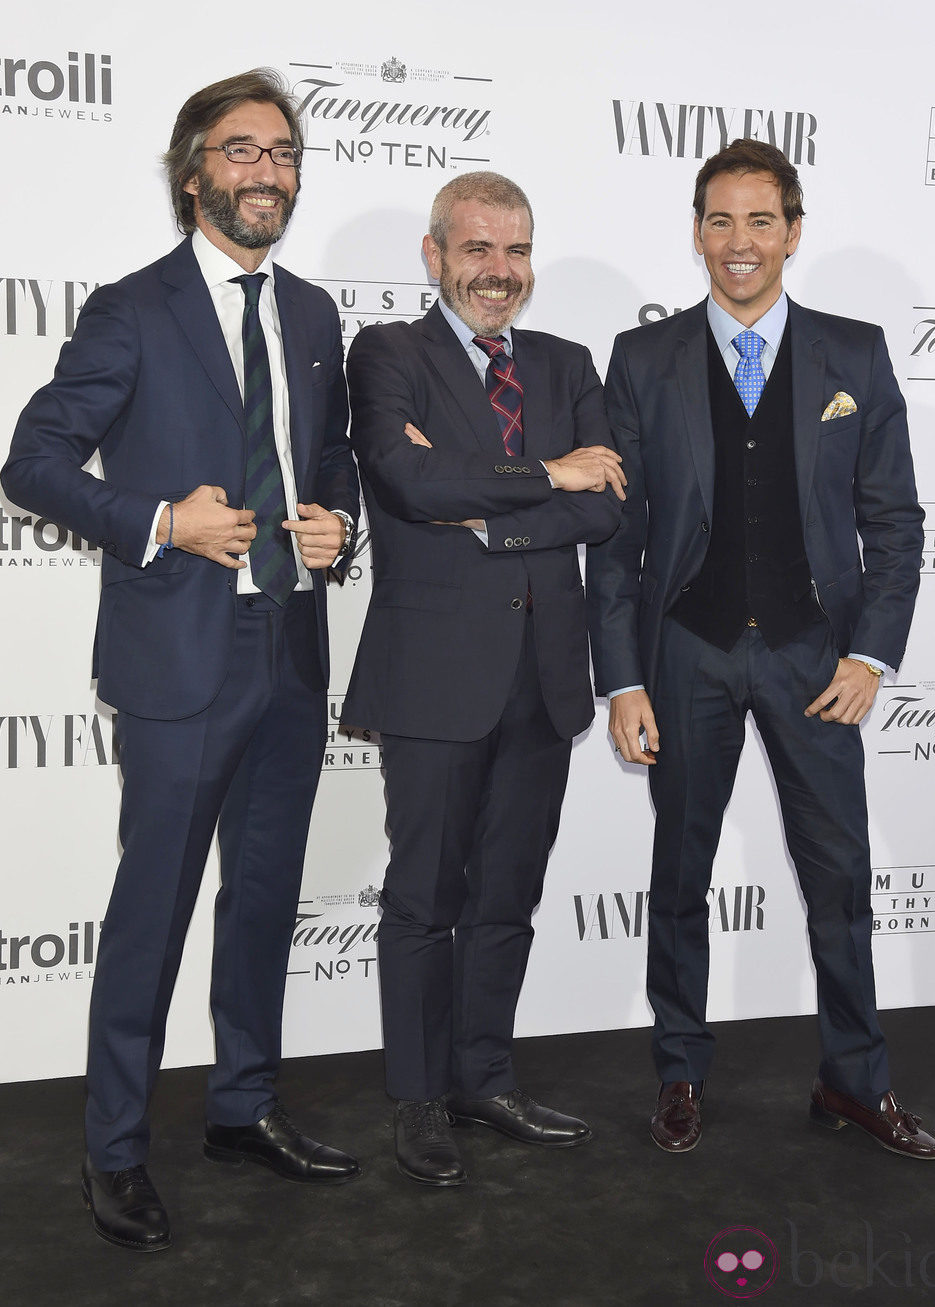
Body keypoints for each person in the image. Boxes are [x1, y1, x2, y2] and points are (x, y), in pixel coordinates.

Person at [1, 69, 362, 1252]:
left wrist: (334, 521)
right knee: (152, 908)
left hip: (289, 648)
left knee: (262, 900)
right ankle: (113, 1150)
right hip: (178, 659)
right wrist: (164, 520)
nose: (268, 170)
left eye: (284, 152)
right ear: (193, 170)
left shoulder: (312, 315)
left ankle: (242, 1107)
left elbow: (335, 457)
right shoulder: (132, 308)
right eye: (243, 150)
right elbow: (35, 461)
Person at [586, 139, 935, 1161]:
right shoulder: (641, 360)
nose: (736, 243)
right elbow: (617, 536)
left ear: (791, 230)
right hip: (685, 653)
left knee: (837, 877)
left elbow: (895, 520)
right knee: (680, 875)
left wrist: (869, 656)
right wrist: (622, 675)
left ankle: (853, 1079)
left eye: (757, 221)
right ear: (694, 231)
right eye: (717, 220)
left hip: (812, 660)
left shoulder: (854, 353)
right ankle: (678, 1073)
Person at [343, 171, 625, 1185]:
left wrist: (491, 511)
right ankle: (419, 1099)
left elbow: (606, 510)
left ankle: (484, 1076)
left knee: (507, 893)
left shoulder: (565, 361)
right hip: (431, 675)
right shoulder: (386, 352)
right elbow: (407, 482)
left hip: (544, 672)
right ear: (434, 255)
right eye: (475, 249)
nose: (496, 272)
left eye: (513, 252)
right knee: (424, 895)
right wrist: (550, 471)